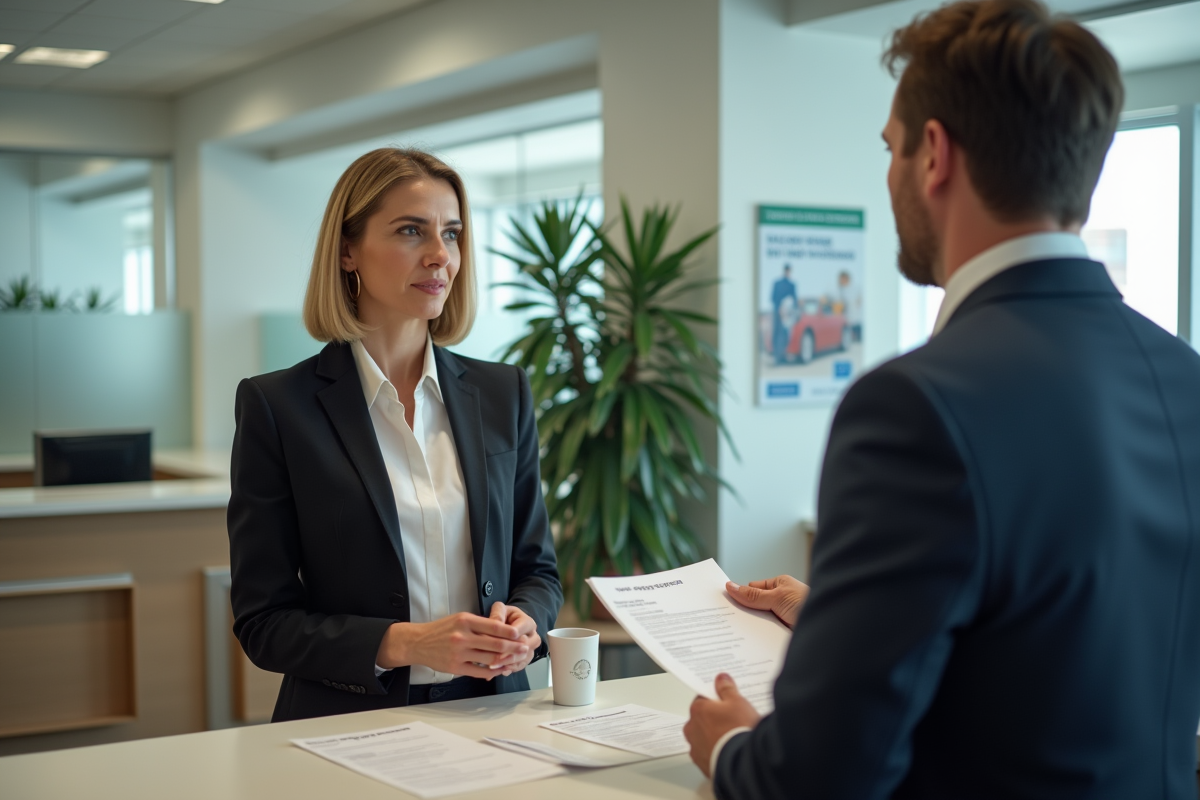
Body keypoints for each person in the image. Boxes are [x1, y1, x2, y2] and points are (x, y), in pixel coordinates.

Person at [684, 1, 1200, 797]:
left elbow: (821, 778)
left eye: (889, 148)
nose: (887, 175)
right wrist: (842, 619)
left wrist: (732, 750)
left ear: (934, 155)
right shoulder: (1184, 375)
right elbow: (1067, 632)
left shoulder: (913, 405)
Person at [227, 148, 562, 721]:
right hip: (347, 724)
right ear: (348, 250)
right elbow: (264, 624)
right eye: (412, 231)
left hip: (495, 716)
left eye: (452, 234)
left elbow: (539, 571)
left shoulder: (504, 393)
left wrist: (527, 620)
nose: (440, 256)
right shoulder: (277, 407)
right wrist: (407, 643)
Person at [770, 264, 798, 364]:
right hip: (781, 313)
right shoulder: (788, 285)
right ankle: (778, 357)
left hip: (782, 312)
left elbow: (773, 298)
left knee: (780, 334)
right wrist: (781, 310)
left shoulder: (787, 284)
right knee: (779, 334)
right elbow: (794, 300)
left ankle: (779, 356)